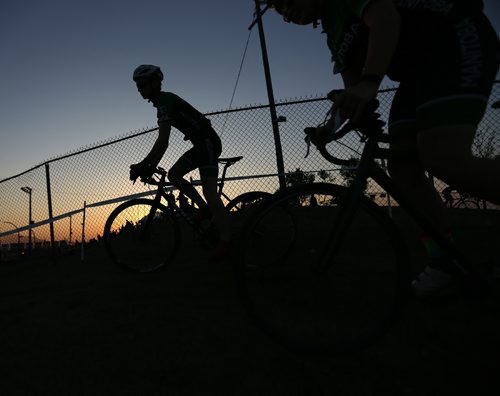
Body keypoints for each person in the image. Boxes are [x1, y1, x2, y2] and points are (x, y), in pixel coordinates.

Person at [268, 0, 500, 296]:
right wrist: (328, 128)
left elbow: (386, 18)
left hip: (455, 39)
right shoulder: (332, 31)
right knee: (403, 170)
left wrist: (369, 82)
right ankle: (445, 263)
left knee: (443, 156)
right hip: (419, 73)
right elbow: (354, 90)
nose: (286, 14)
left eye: (284, 1)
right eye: (279, 11)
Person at [129, 64, 232, 259]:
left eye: (142, 85)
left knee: (210, 191)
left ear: (154, 83)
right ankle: (205, 210)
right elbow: (162, 143)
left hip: (208, 143)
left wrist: (145, 165)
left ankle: (227, 241)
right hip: (201, 145)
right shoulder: (163, 103)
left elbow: (163, 142)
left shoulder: (165, 101)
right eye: (137, 86)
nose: (139, 89)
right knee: (174, 175)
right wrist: (146, 165)